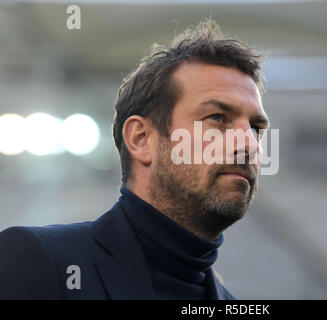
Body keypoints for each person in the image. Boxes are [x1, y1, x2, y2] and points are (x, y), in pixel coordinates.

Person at [0, 19, 270, 299]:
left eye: (256, 129)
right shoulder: (44, 262)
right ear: (141, 139)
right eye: (217, 118)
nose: (248, 143)